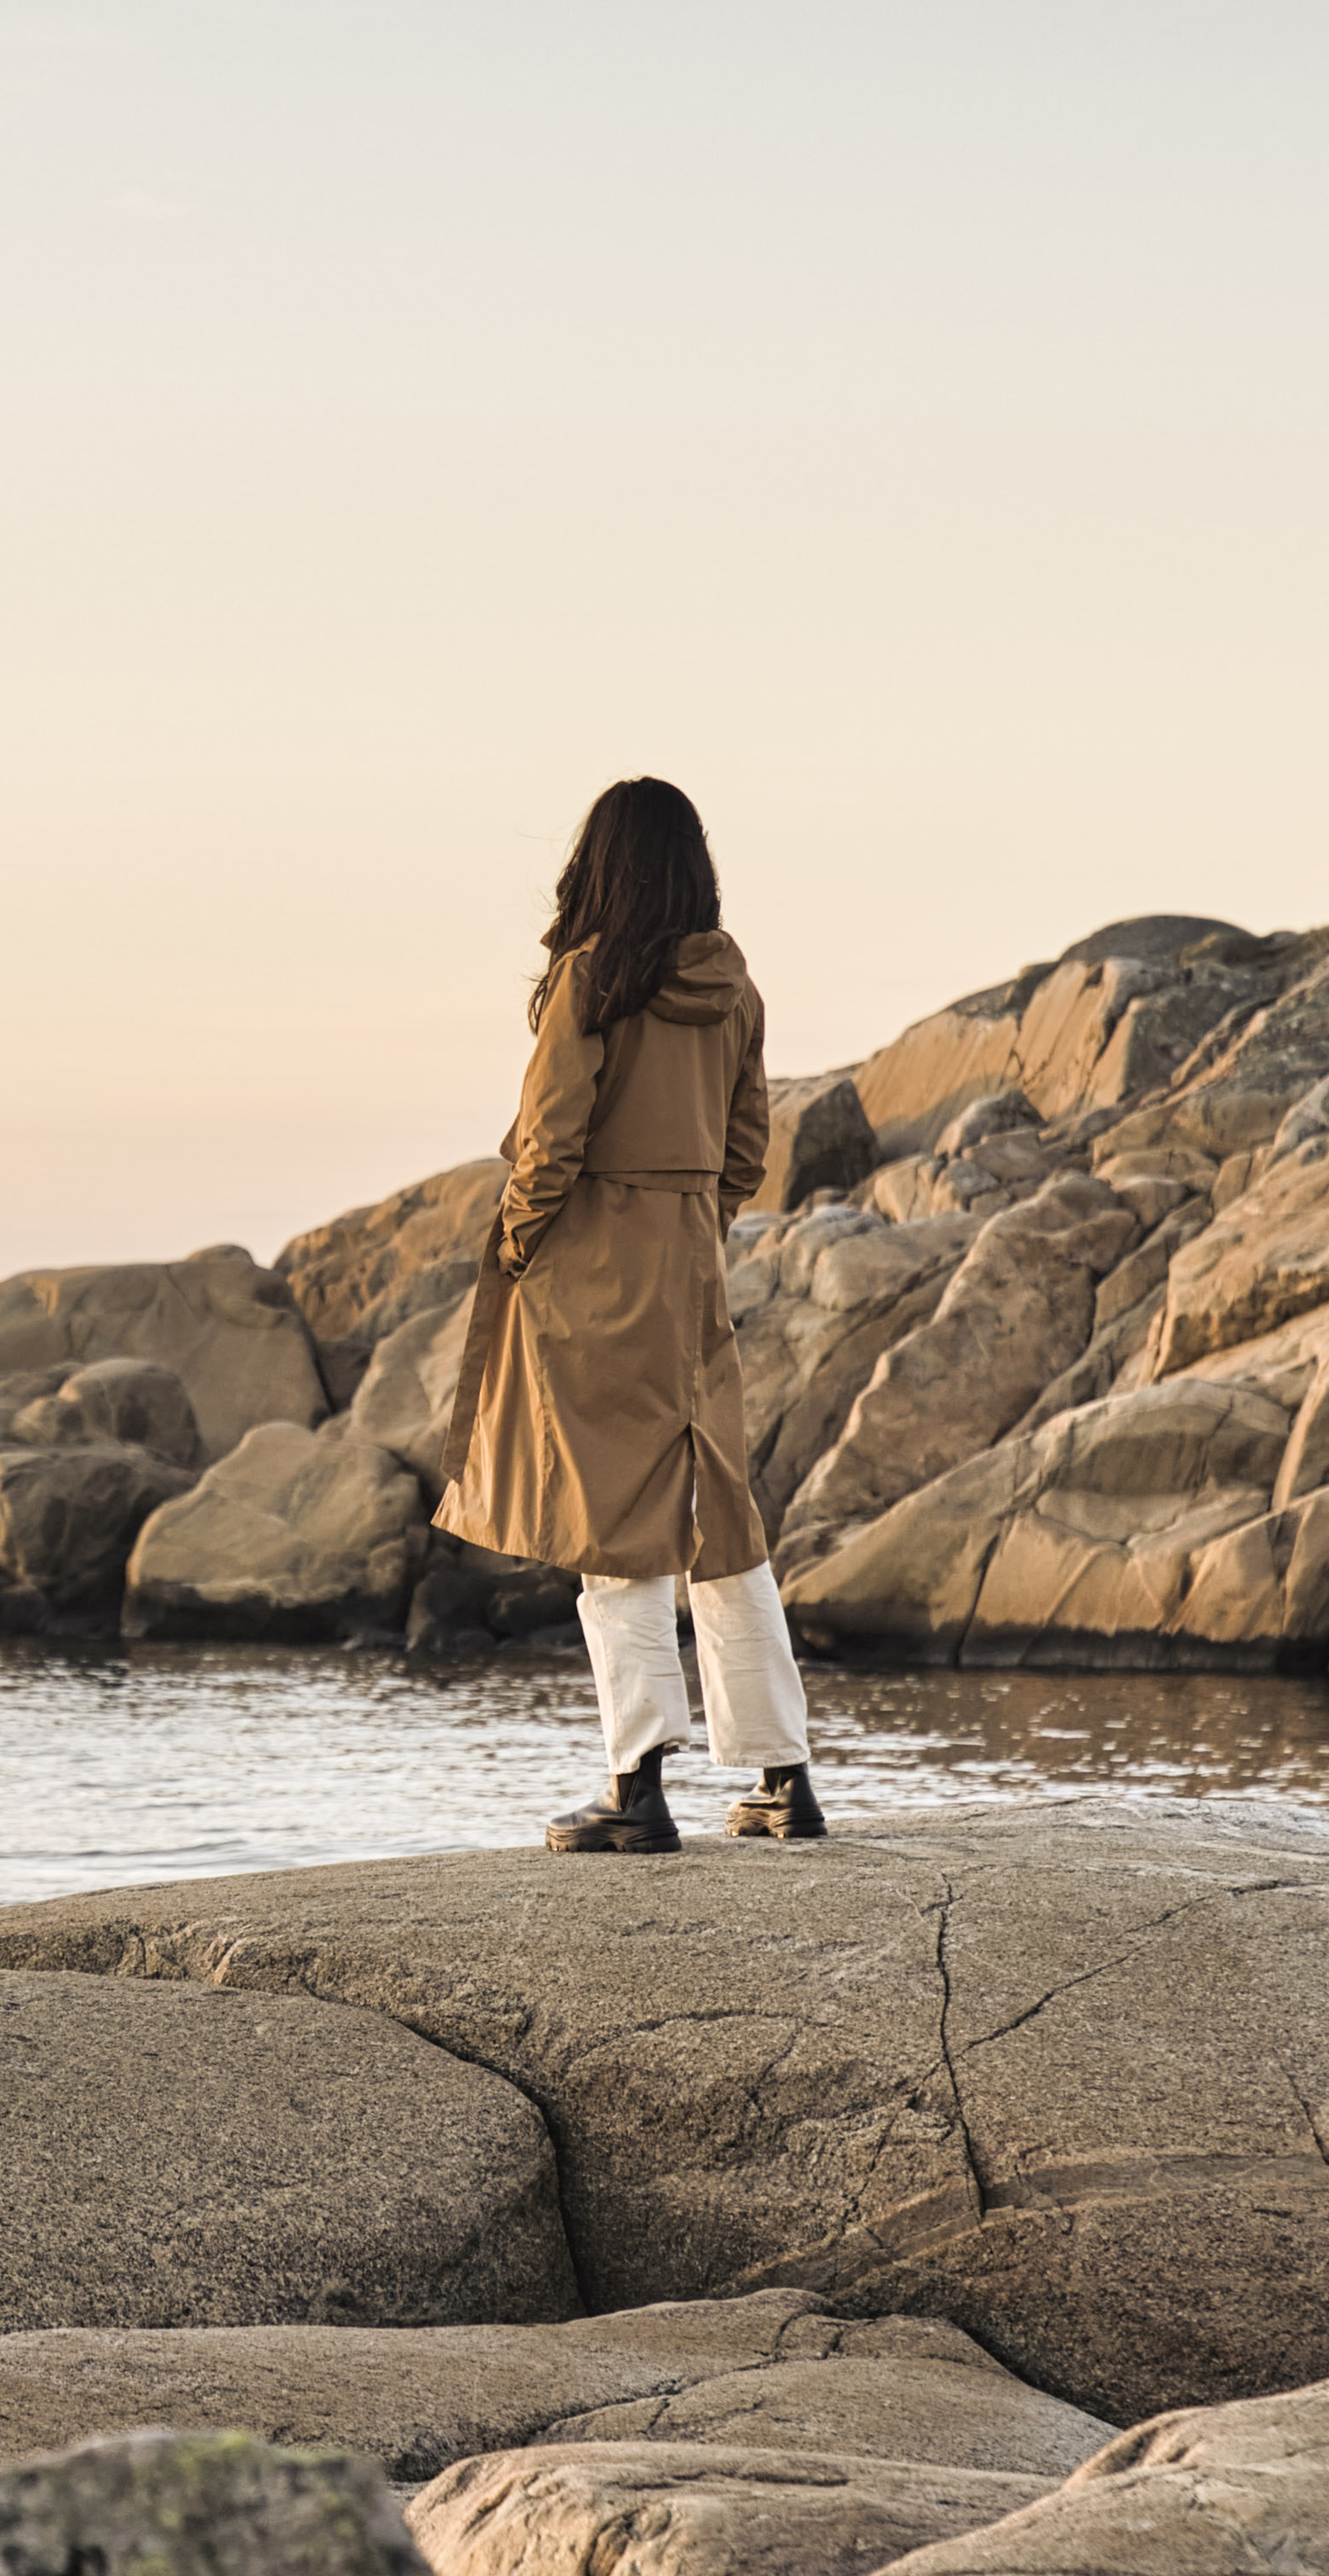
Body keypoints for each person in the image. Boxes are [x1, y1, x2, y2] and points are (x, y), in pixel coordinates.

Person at [434, 775, 824, 1853]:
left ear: (600, 866)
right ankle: (784, 1778)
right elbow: (749, 1147)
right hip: (689, 1265)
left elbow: (551, 1140)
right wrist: (691, 1219)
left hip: (596, 1271)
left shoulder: (590, 982)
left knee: (611, 1526)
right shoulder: (735, 991)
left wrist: (518, 1241)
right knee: (724, 1521)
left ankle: (636, 1784)